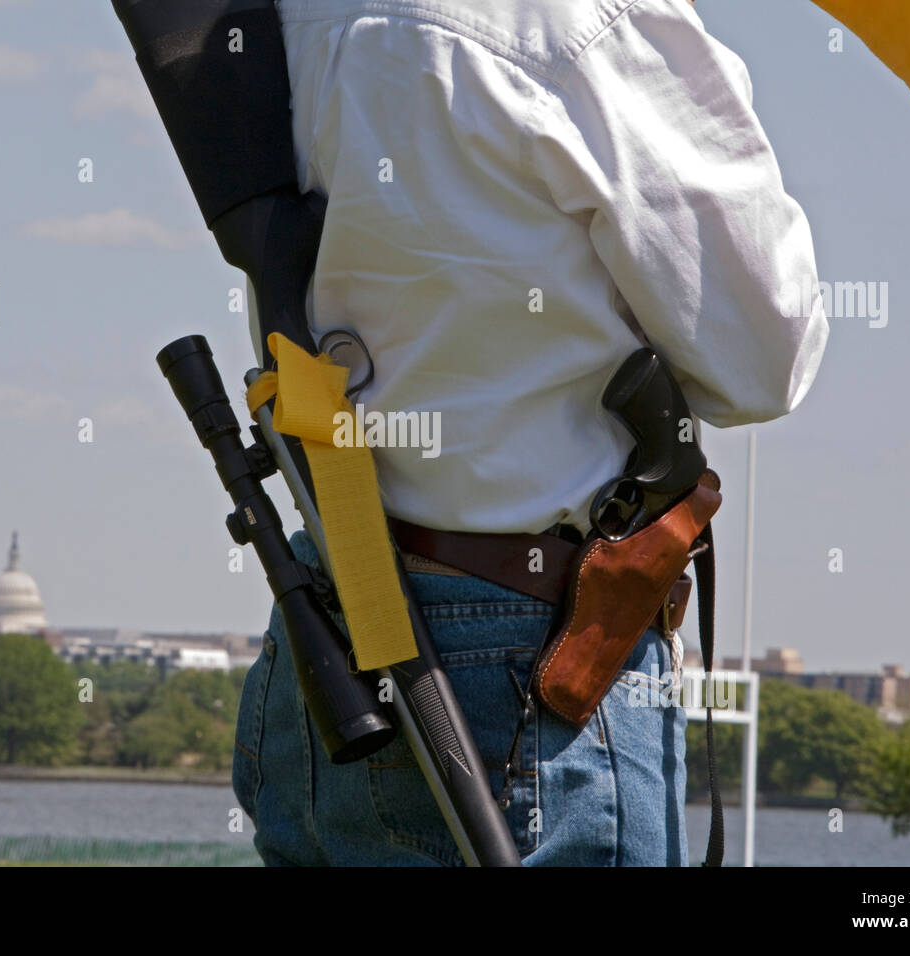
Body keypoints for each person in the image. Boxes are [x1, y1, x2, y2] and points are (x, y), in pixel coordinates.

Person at [228, 0, 829, 866]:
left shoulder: (292, 13)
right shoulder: (590, 19)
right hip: (525, 655)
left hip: (332, 614)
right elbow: (764, 357)